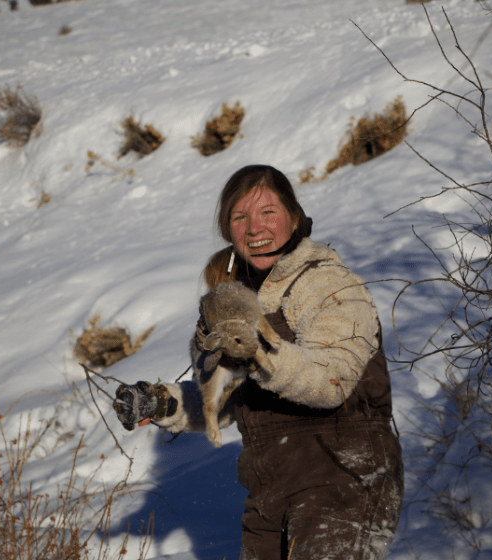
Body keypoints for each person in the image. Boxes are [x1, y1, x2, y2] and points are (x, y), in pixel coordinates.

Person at [113, 164, 403, 560]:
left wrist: (254, 352)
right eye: (240, 217)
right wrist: (164, 403)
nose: (255, 228)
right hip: (270, 493)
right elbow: (233, 398)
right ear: (228, 229)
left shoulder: (327, 284)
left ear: (294, 218)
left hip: (344, 481)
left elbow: (330, 382)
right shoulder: (233, 301)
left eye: (268, 212)